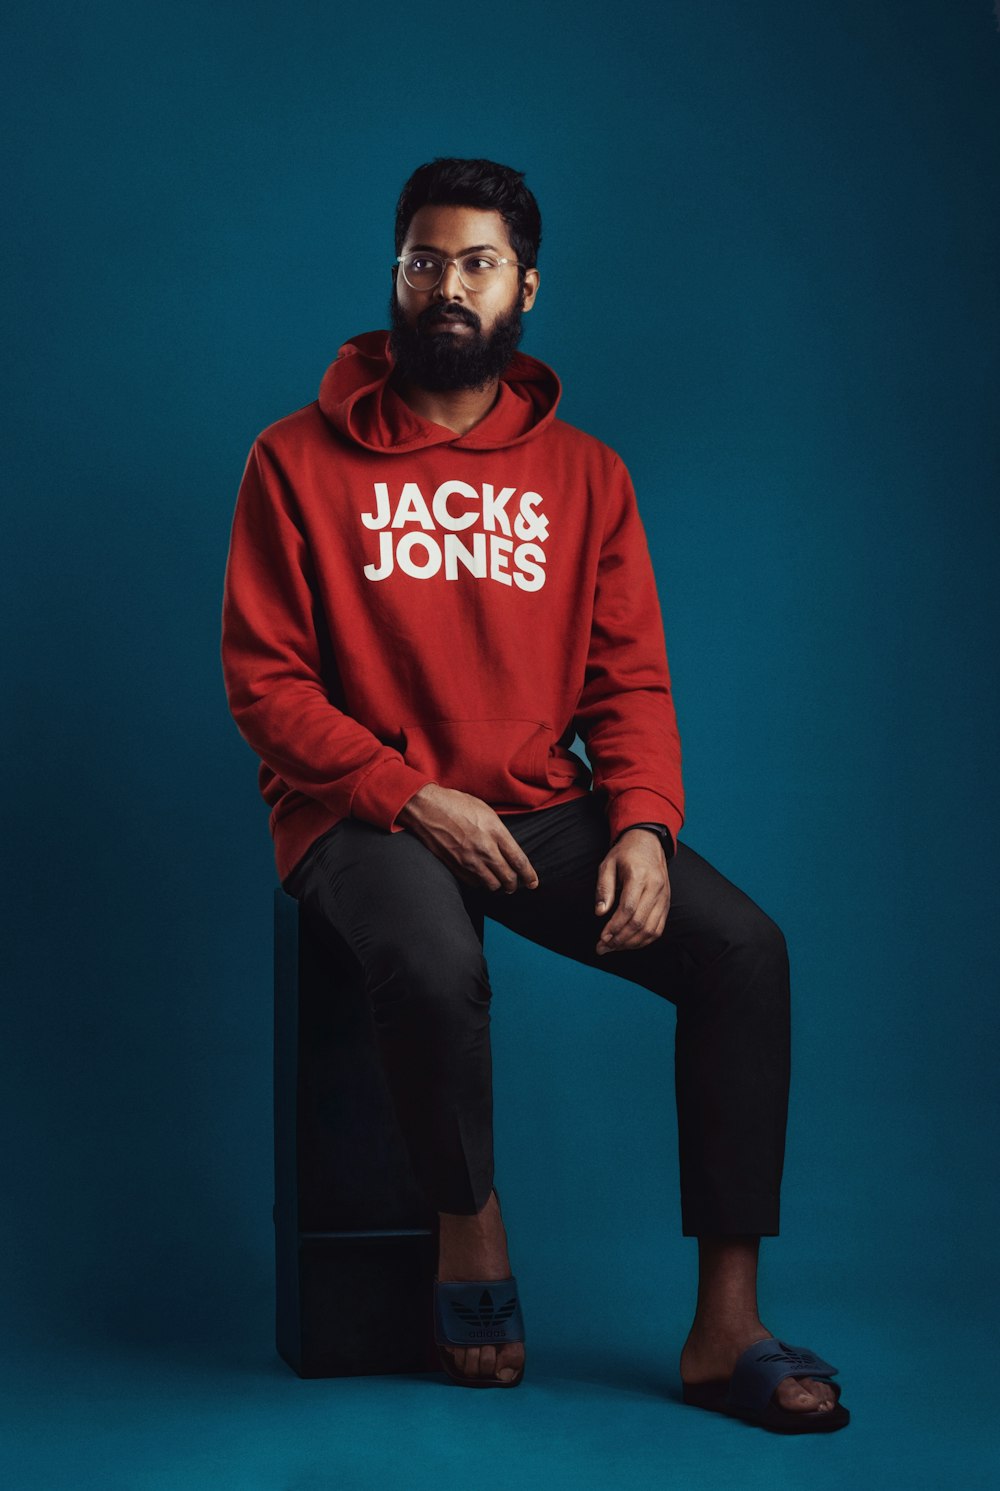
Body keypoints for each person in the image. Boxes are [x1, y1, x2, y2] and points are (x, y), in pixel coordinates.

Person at [220, 156, 849, 1432]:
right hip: (352, 808)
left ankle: (725, 1325)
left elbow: (629, 683)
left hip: (532, 803)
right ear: (394, 276)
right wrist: (407, 794)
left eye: (478, 263)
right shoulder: (293, 460)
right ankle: (469, 1222)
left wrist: (641, 825)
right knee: (435, 958)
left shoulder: (588, 477)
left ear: (526, 289)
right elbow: (265, 687)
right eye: (424, 260)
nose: (447, 285)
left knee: (744, 953)